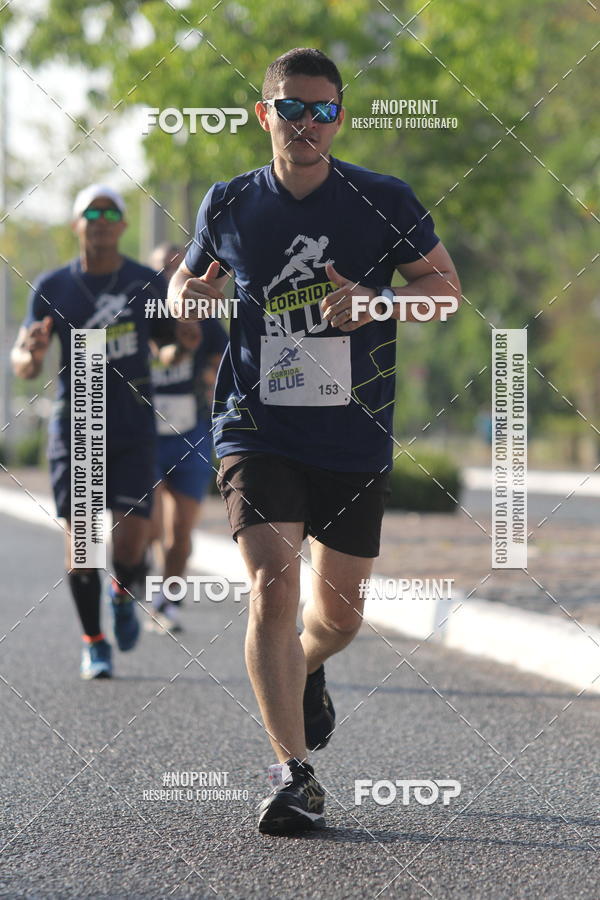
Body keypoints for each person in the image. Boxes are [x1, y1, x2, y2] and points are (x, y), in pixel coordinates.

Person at [167, 48, 461, 834]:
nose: (307, 124)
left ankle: (309, 667)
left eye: (323, 110)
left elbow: (447, 295)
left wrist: (377, 300)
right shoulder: (229, 203)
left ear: (340, 116)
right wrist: (183, 295)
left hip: (353, 435)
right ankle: (291, 776)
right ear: (265, 115)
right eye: (292, 108)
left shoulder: (382, 199)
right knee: (271, 584)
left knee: (339, 618)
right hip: (256, 426)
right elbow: (184, 284)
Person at [11, 184, 177, 680]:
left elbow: (170, 349)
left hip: (132, 425)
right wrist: (33, 353)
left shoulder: (146, 282)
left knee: (130, 546)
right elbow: (22, 361)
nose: (101, 219)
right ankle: (94, 641)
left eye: (111, 212)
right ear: (76, 224)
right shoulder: (53, 285)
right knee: (82, 545)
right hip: (77, 424)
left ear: (123, 225)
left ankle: (122, 593)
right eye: (91, 212)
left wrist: (181, 344)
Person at [147, 244, 228, 632]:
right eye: (164, 266)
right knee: (143, 527)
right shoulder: (137, 312)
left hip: (190, 432)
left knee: (180, 530)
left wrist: (210, 379)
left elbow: (221, 360)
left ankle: (168, 600)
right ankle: (131, 575)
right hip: (144, 433)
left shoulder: (205, 317)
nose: (172, 272)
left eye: (179, 265)